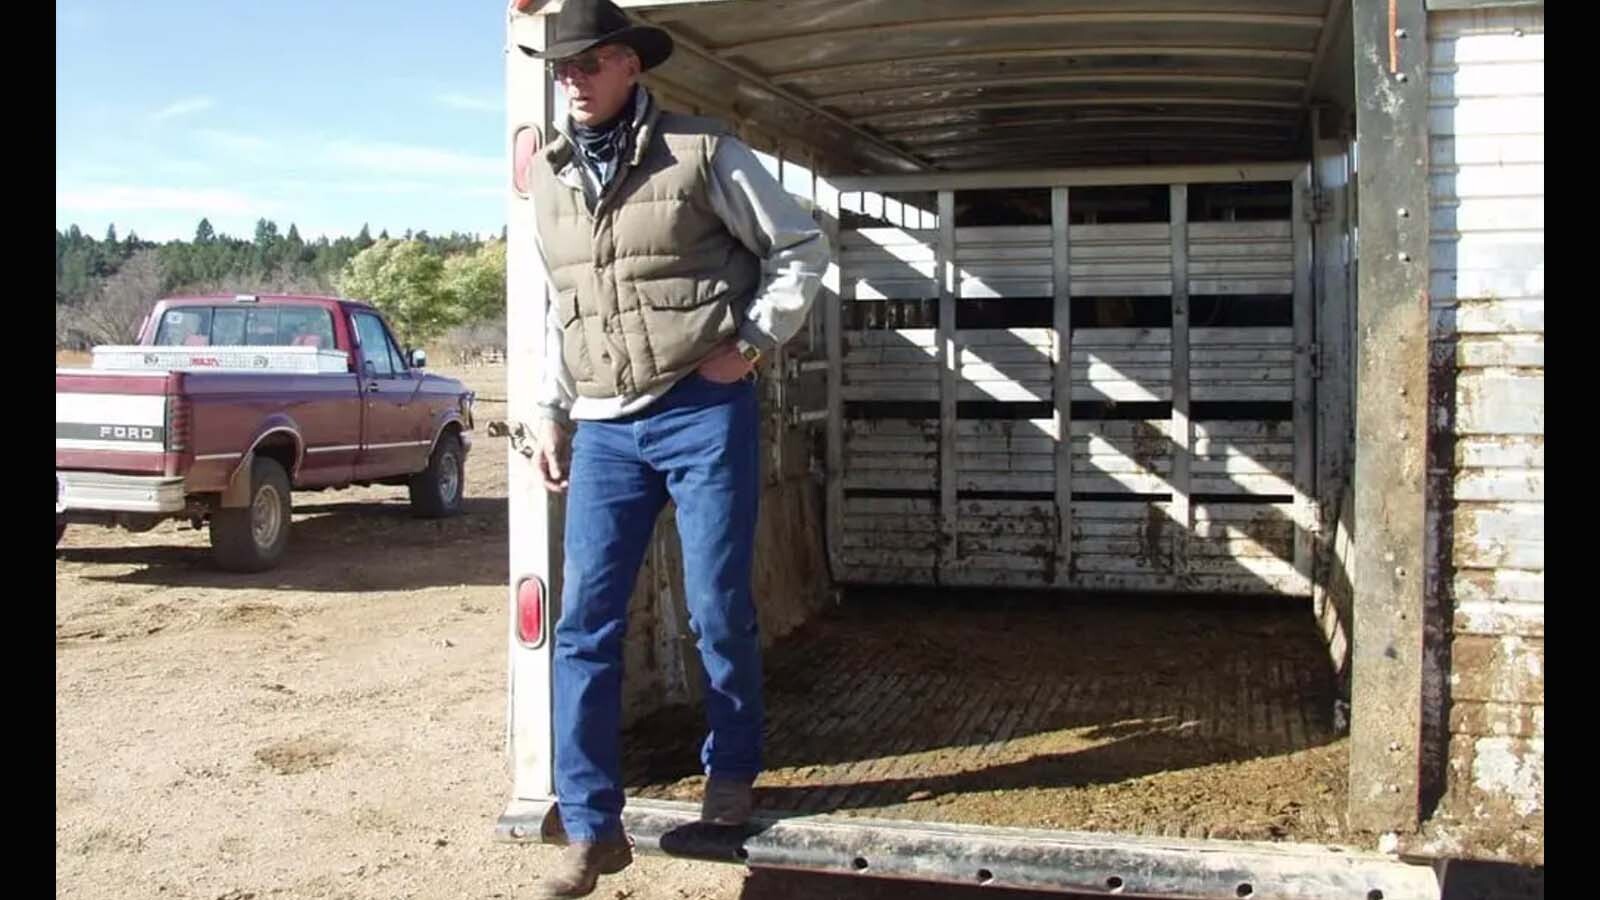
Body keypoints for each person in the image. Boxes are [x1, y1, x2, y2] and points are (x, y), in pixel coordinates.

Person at [515, 1, 831, 896]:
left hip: (700, 403)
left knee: (715, 605)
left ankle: (729, 776)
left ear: (629, 67)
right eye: (563, 67)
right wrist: (550, 406)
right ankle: (590, 825)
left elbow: (801, 249)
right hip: (606, 424)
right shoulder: (547, 175)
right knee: (584, 627)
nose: (571, 79)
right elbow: (558, 300)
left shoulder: (702, 152)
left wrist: (756, 345)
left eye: (589, 63)